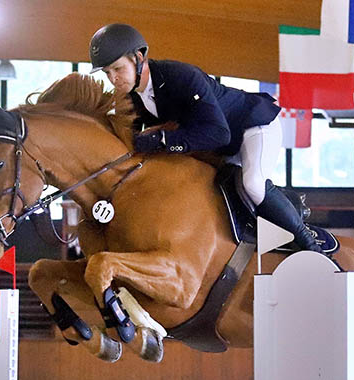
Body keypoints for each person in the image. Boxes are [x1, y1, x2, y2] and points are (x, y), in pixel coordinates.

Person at [88, 23, 327, 254]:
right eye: (108, 73)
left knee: (252, 183)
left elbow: (218, 133)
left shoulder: (181, 76)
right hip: (219, 145)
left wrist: (163, 140)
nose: (113, 79)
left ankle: (311, 247)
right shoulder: (131, 99)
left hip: (251, 126)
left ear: (139, 57)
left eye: (117, 69)